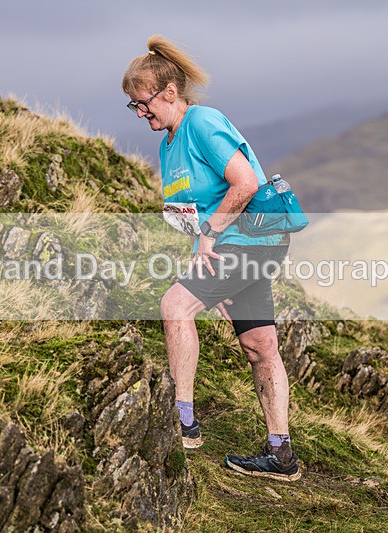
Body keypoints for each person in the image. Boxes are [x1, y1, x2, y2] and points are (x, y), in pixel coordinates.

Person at [122, 35, 300, 482]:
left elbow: (244, 185)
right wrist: (210, 268)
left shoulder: (202, 122)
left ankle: (183, 422)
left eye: (142, 103)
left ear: (168, 93)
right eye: (131, 106)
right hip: (234, 246)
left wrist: (209, 239)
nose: (139, 113)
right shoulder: (169, 144)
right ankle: (281, 456)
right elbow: (195, 213)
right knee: (260, 345)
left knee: (173, 306)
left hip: (253, 238)